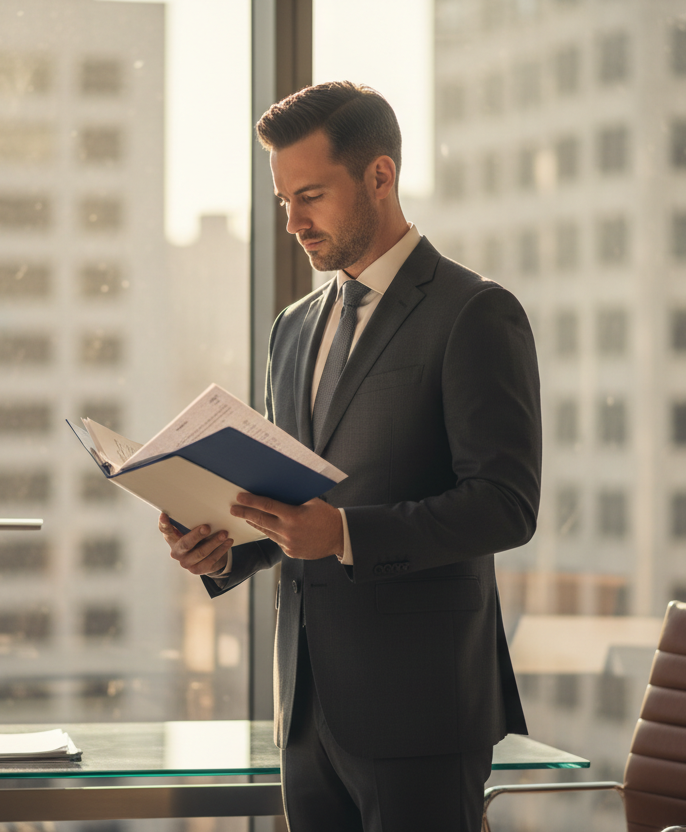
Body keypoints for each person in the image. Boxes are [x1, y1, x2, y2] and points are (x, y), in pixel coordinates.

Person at [158, 81, 541, 832]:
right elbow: (286, 498)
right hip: (304, 709)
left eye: (311, 196)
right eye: (283, 203)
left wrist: (346, 535)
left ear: (380, 177)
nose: (294, 223)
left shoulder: (474, 312)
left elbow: (506, 503)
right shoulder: (293, 328)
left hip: (422, 710)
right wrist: (222, 548)